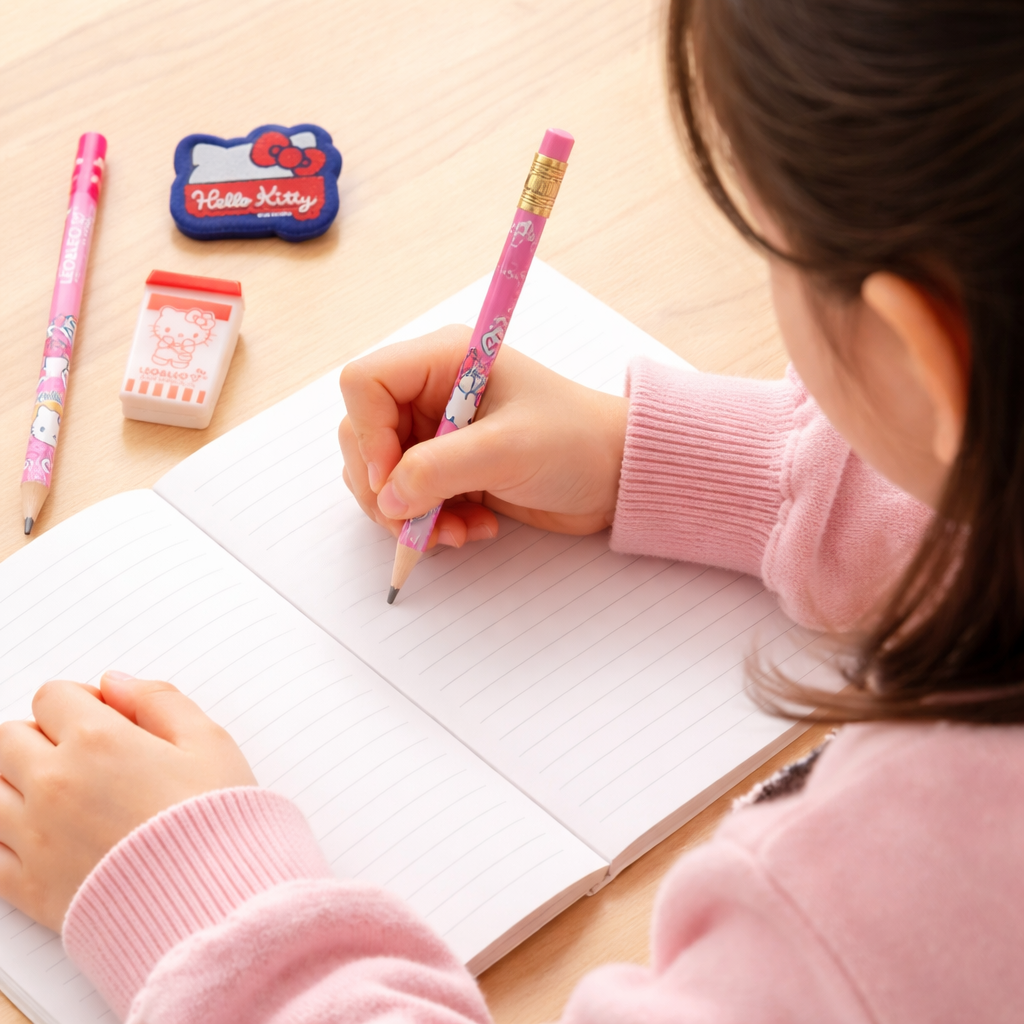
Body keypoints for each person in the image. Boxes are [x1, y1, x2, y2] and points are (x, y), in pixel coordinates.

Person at [1, 0, 1022, 1020]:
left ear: (921, 349)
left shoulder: (880, 902)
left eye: (774, 253)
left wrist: (197, 904)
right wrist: (708, 467)